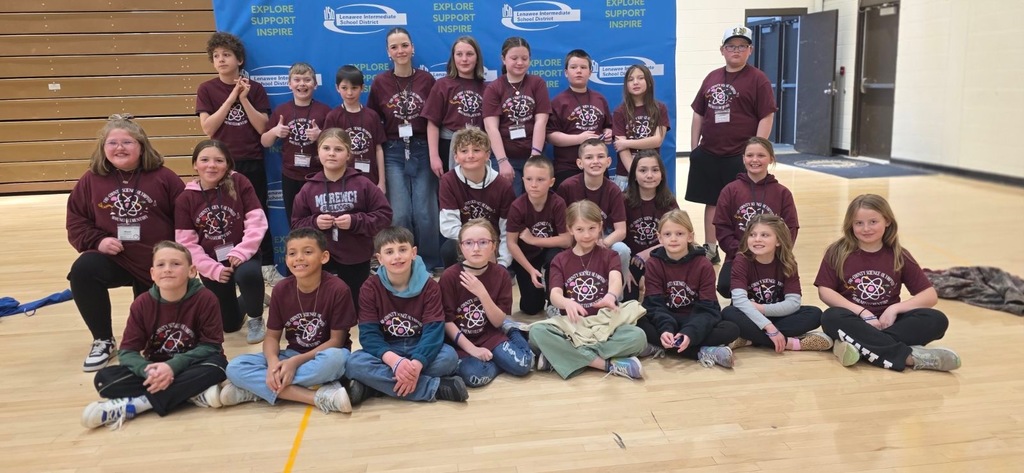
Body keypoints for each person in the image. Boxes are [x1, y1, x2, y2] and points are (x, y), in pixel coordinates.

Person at [67, 114, 186, 371]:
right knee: (83, 271)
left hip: (156, 263)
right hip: (116, 258)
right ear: (103, 148)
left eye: (127, 142)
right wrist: (98, 241)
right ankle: (103, 339)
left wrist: (178, 258)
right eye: (112, 143)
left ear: (141, 146)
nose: (119, 148)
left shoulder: (165, 177)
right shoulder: (90, 180)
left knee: (151, 339)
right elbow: (76, 222)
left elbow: (186, 218)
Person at [81, 241, 227, 429]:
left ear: (192, 271)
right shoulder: (142, 304)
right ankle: (190, 394)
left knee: (218, 368)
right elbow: (127, 352)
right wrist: (147, 370)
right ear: (152, 273)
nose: (167, 269)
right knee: (104, 380)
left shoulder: (205, 299)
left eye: (175, 264)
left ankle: (137, 405)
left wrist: (172, 367)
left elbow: (211, 346)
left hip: (192, 365)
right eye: (161, 265)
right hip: (154, 369)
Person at [815, 194, 961, 371]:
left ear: (887, 221)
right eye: (858, 223)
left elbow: (929, 296)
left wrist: (894, 309)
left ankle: (857, 346)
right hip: (853, 320)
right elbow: (825, 291)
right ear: (850, 225)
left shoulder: (899, 254)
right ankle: (909, 358)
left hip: (889, 323)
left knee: (936, 319)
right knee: (831, 316)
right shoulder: (837, 251)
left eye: (873, 222)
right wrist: (863, 313)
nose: (866, 228)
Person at [220, 228, 356, 414]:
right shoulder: (281, 289)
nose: (299, 258)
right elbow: (271, 337)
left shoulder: (338, 289)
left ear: (324, 257)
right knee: (235, 367)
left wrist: (294, 364)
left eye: (307, 252)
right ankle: (315, 397)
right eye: (292, 253)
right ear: (286, 259)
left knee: (338, 359)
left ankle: (255, 391)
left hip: (321, 357)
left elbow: (336, 342)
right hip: (291, 355)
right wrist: (274, 362)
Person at [345, 226, 469, 404]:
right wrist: (395, 362)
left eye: (402, 249)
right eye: (389, 252)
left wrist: (417, 363)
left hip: (419, 346)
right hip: (388, 350)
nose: (397, 256)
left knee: (449, 357)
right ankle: (434, 388)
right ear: (379, 259)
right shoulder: (369, 288)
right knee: (354, 363)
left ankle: (373, 386)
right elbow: (369, 335)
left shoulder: (430, 286)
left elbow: (433, 332)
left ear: (413, 252)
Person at [688, 26, 777, 264]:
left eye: (741, 46)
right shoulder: (712, 77)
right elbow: (698, 113)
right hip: (709, 152)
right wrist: (694, 147)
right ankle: (710, 247)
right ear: (722, 50)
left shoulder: (758, 79)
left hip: (739, 155)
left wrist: (757, 151)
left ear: (750, 50)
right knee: (712, 202)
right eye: (731, 46)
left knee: (742, 202)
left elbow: (766, 115)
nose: (735, 51)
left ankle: (744, 249)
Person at [528, 200, 647, 380]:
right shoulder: (560, 260)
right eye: (580, 229)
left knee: (638, 337)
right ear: (570, 229)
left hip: (604, 324)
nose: (586, 235)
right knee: (536, 334)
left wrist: (610, 295)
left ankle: (561, 356)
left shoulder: (610, 255)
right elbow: (554, 295)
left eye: (592, 228)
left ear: (600, 226)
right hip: (572, 326)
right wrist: (566, 302)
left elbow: (616, 278)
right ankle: (607, 364)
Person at [195, 32, 278, 282]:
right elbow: (208, 128)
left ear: (239, 59)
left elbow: (263, 126)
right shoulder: (207, 89)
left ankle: (265, 268)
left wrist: (244, 99)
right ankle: (224, 267)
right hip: (219, 166)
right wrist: (232, 97)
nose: (221, 60)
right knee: (224, 215)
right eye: (216, 56)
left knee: (257, 213)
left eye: (226, 55)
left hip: (251, 161)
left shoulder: (256, 89)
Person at [175, 140, 268, 344]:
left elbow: (257, 221)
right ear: (195, 165)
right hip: (211, 262)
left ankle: (256, 317)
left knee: (249, 275)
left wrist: (243, 251)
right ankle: (254, 298)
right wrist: (211, 268)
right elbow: (186, 243)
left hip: (243, 254)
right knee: (230, 325)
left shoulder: (239, 182)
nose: (211, 165)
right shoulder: (186, 198)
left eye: (219, 160)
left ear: (227, 164)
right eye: (205, 160)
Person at [291, 128, 393, 313]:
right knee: (325, 309)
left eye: (338, 149)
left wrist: (356, 221)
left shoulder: (363, 184)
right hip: (321, 258)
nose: (331, 153)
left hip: (355, 256)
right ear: (318, 152)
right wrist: (315, 223)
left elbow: (384, 215)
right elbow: (296, 225)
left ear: (348, 154)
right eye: (326, 148)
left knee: (354, 310)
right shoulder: (308, 189)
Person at [367, 27, 441, 270]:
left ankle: (429, 263)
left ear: (413, 48)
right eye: (394, 47)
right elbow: (372, 120)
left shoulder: (426, 80)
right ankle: (403, 262)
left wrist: (434, 154)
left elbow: (433, 119)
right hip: (393, 150)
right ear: (388, 52)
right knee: (399, 213)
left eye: (404, 45)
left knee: (425, 212)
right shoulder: (380, 82)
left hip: (421, 147)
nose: (400, 51)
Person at [638, 210, 738, 368]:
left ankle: (661, 347)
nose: (673, 239)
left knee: (730, 329)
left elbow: (708, 308)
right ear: (659, 238)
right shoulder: (653, 263)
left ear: (690, 236)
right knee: (638, 322)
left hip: (694, 318)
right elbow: (653, 305)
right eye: (668, 234)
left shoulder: (704, 264)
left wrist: (690, 333)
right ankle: (702, 352)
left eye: (679, 233)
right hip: (665, 319)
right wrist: (666, 329)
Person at [441, 219, 532, 387]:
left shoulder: (501, 275)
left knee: (523, 365)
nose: (476, 248)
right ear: (460, 246)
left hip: (490, 334)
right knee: (473, 377)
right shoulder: (449, 276)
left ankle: (513, 331)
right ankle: (501, 362)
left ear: (493, 246)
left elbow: (497, 321)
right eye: (469, 243)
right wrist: (473, 350)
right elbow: (448, 322)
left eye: (483, 242)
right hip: (462, 341)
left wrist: (482, 293)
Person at [721, 215, 830, 353]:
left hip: (777, 314)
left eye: (765, 235)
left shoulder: (788, 263)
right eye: (752, 235)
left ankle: (750, 338)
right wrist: (769, 327)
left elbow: (794, 303)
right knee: (729, 313)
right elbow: (739, 301)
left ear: (778, 240)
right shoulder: (741, 260)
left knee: (814, 313)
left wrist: (762, 309)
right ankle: (791, 343)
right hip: (748, 315)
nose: (757, 239)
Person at [714, 137, 799, 298]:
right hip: (740, 255)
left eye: (761, 155)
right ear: (743, 158)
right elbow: (722, 229)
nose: (754, 160)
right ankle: (742, 303)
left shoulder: (782, 193)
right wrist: (746, 252)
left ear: (771, 159)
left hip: (773, 258)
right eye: (750, 155)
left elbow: (791, 229)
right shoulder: (730, 190)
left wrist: (771, 252)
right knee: (725, 285)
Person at [260, 62, 330, 224]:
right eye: (297, 80)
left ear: (315, 84)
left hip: (318, 175)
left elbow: (336, 144)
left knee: (320, 221)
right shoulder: (282, 110)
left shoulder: (325, 111)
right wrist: (274, 132)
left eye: (307, 80)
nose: (302, 84)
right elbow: (264, 142)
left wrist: (320, 136)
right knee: (294, 221)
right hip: (290, 176)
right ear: (289, 84)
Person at [438, 126, 515, 268]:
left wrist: (502, 263)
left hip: (492, 248)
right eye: (464, 151)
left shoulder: (502, 185)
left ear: (487, 155)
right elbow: (448, 226)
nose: (470, 155)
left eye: (477, 150)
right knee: (449, 249)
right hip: (464, 244)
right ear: (456, 156)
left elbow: (507, 230)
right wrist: (475, 244)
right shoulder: (448, 181)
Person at [483, 36, 551, 196]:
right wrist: (502, 161)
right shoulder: (494, 88)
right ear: (503, 59)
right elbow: (491, 127)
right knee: (510, 204)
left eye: (524, 58)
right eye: (514, 58)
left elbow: (541, 122)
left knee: (535, 201)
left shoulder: (537, 83)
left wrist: (535, 157)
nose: (520, 62)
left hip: (533, 153)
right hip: (505, 157)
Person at [556, 138, 630, 282]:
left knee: (622, 249)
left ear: (608, 162)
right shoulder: (567, 187)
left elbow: (621, 230)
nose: (595, 161)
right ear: (580, 163)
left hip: (603, 237)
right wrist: (579, 241)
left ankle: (616, 297)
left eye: (600, 156)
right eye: (589, 157)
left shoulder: (614, 190)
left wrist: (603, 243)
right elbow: (562, 226)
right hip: (575, 239)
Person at [506, 155, 571, 316]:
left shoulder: (558, 203)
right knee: (530, 308)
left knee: (554, 256)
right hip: (527, 258)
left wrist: (534, 240)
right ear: (523, 180)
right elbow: (511, 243)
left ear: (551, 182)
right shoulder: (517, 206)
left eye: (540, 180)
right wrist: (530, 270)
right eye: (529, 179)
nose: (534, 185)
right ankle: (539, 287)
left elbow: (567, 240)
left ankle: (554, 299)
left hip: (550, 254)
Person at [546, 49, 613, 188]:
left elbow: (608, 126)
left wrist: (608, 133)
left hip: (597, 166)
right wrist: (579, 139)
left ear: (590, 72)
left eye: (583, 67)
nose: (578, 71)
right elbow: (550, 136)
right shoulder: (558, 102)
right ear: (566, 72)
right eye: (573, 67)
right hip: (567, 167)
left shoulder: (600, 99)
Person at [423, 36, 487, 174]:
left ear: (477, 58)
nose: (464, 59)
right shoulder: (442, 85)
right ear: (453, 58)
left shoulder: (486, 88)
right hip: (449, 148)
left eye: (469, 54)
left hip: (478, 148)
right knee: (452, 190)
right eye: (459, 54)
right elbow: (432, 124)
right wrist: (434, 157)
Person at [622, 150, 678, 302]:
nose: (649, 175)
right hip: (632, 263)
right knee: (628, 298)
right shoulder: (623, 201)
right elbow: (613, 238)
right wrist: (622, 268)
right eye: (643, 170)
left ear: (662, 174)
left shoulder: (669, 201)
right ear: (634, 174)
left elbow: (681, 236)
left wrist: (649, 252)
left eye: (655, 170)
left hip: (662, 258)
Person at [323, 65, 387, 191]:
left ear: (362, 88)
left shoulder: (372, 116)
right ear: (337, 88)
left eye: (354, 88)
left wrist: (382, 181)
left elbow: (379, 149)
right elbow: (328, 152)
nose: (349, 93)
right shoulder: (333, 116)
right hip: (343, 182)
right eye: (344, 88)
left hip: (371, 180)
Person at [611, 64, 671, 190]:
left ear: (648, 82)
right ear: (626, 85)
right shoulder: (619, 112)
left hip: (651, 173)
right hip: (626, 174)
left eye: (640, 78)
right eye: (631, 79)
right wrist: (635, 173)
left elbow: (657, 140)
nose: (635, 82)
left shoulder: (660, 108)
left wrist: (627, 143)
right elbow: (621, 148)